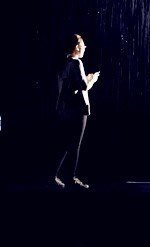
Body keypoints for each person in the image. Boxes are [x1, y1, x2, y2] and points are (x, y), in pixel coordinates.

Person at [53, 34, 99, 189]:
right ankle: (70, 177)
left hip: (69, 108)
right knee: (74, 144)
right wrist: (92, 79)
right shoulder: (77, 62)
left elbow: (73, 87)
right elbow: (84, 86)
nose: (85, 47)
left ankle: (55, 175)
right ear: (77, 47)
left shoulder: (65, 63)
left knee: (67, 142)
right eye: (83, 45)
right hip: (80, 108)